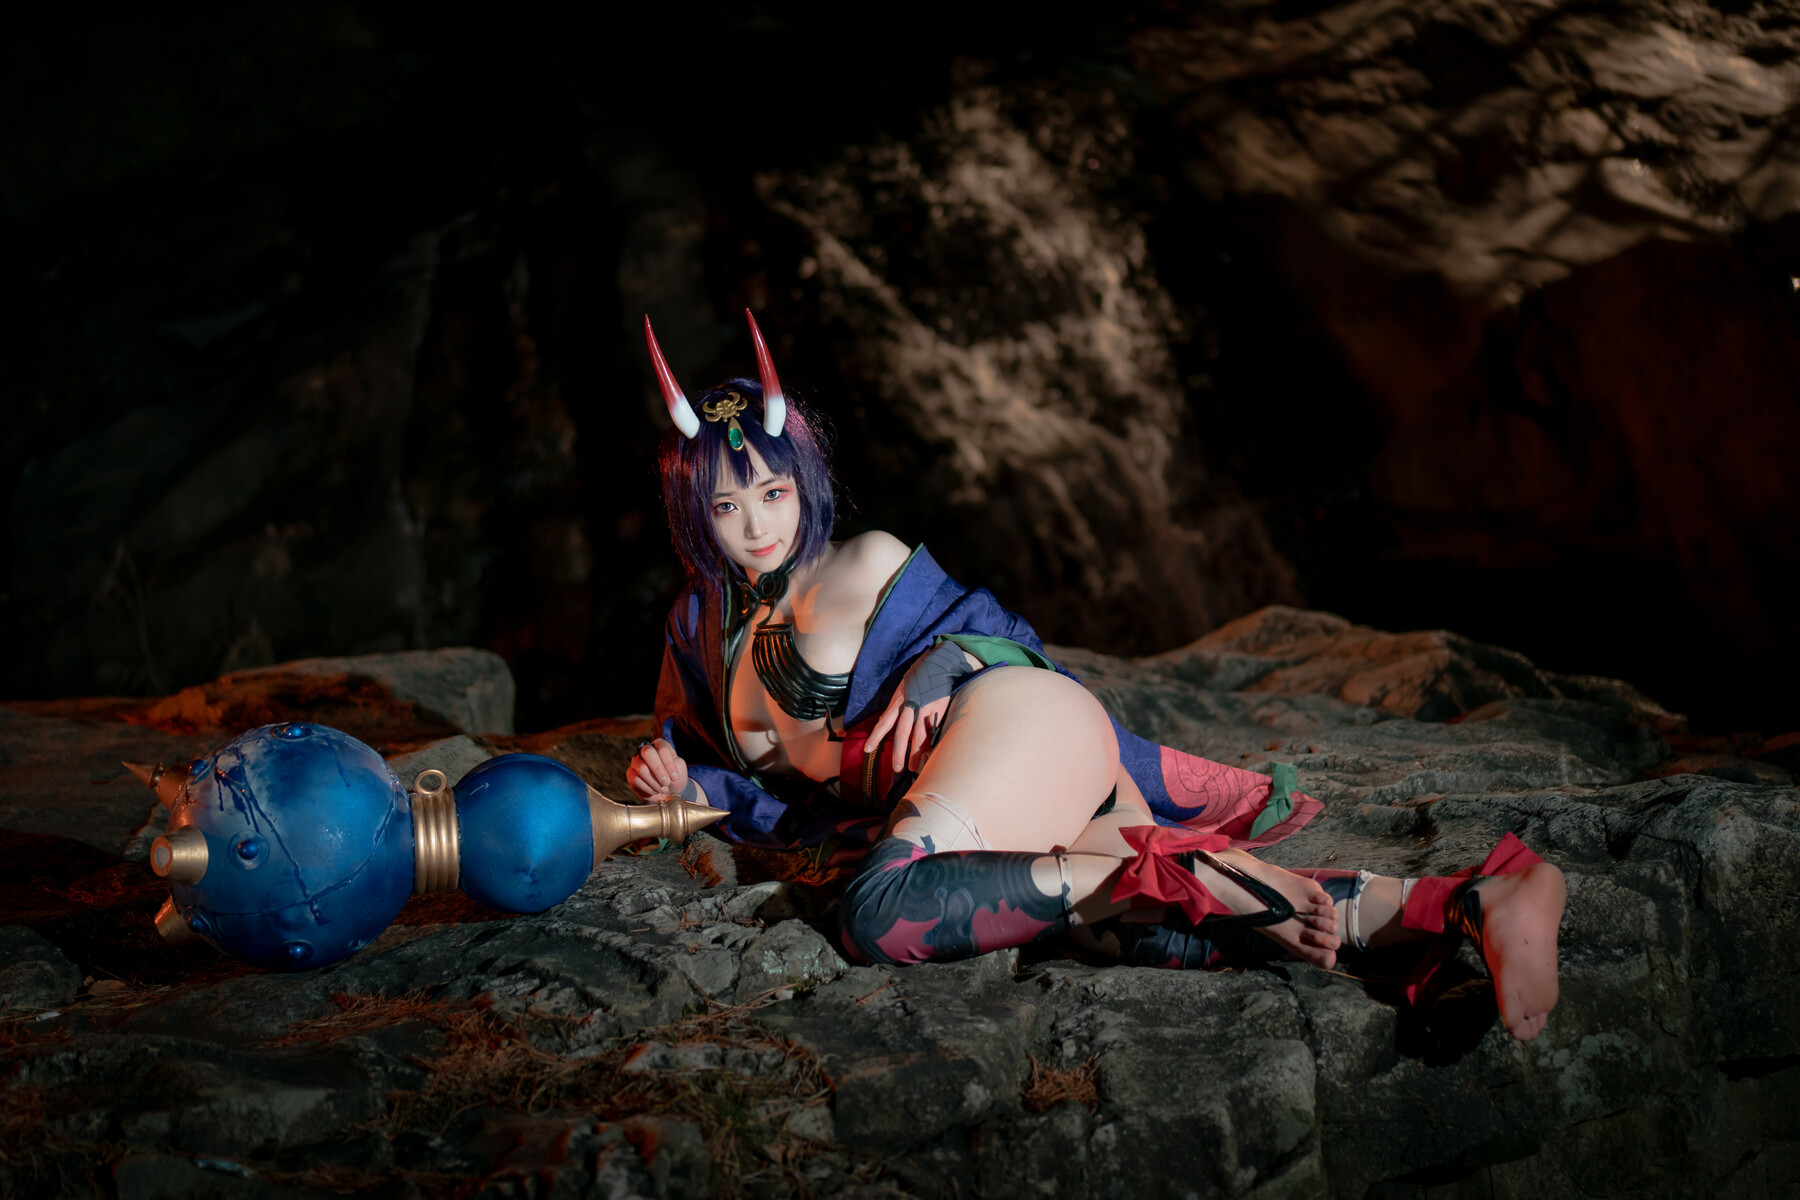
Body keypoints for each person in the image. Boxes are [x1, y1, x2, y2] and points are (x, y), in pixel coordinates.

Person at [626, 312, 1567, 1041]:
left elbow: (1000, 635)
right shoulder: (699, 628)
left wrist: (944, 664)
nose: (759, 524)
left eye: (774, 491)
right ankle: (1474, 902)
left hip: (1018, 729)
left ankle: (1190, 874)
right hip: (994, 803)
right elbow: (715, 767)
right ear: (693, 509)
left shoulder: (865, 559)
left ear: (804, 481)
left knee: (879, 912)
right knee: (1155, 935)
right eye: (728, 504)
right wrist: (677, 783)